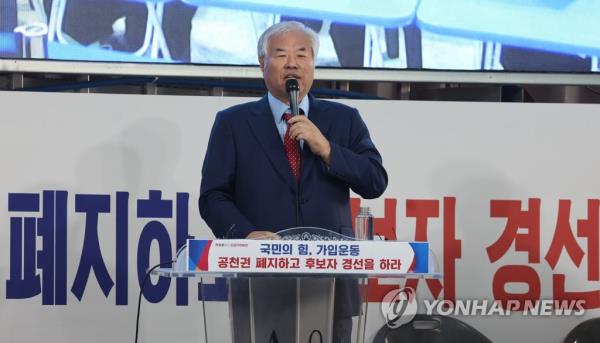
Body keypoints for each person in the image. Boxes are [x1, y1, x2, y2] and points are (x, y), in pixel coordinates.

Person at [198, 21, 388, 342]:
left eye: (303, 54)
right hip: (260, 279)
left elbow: (374, 181)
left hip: (331, 281)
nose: (292, 63)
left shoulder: (344, 119)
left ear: (314, 63)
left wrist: (328, 149)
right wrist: (246, 235)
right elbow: (213, 196)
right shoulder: (233, 123)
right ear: (262, 63)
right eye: (281, 54)